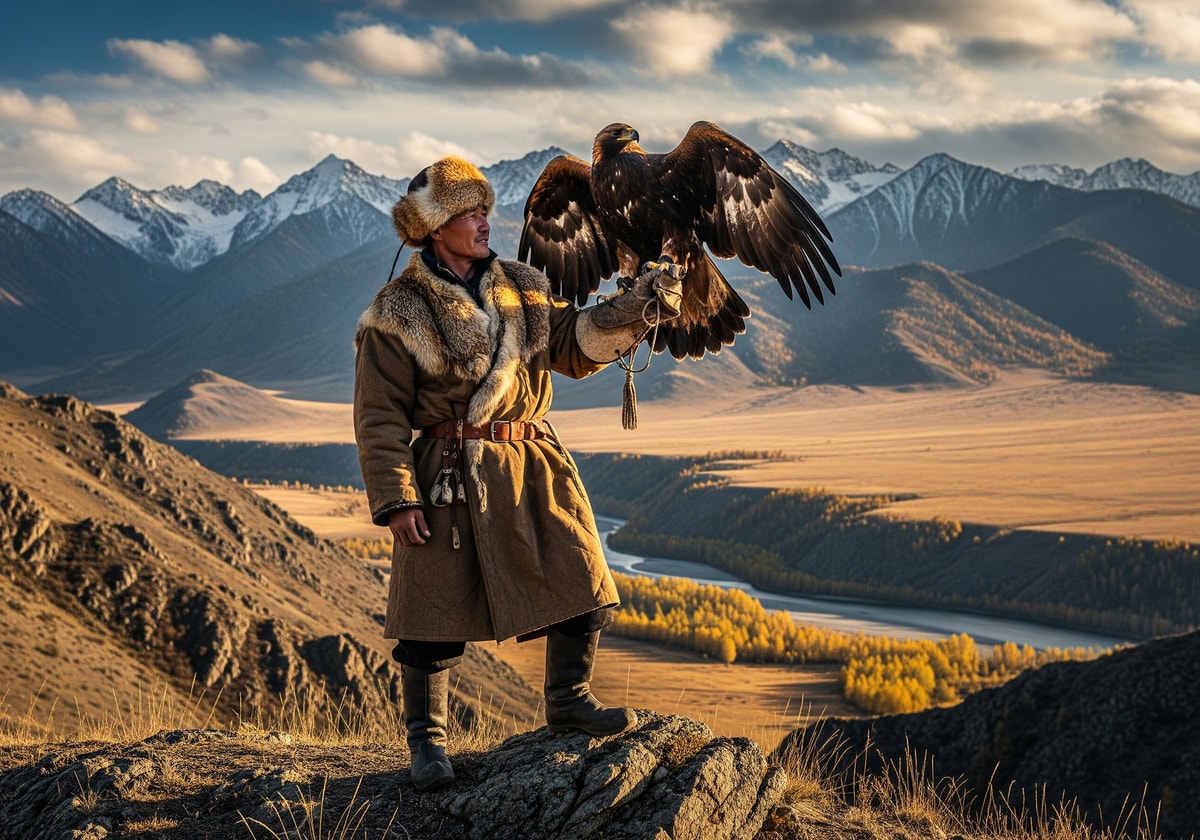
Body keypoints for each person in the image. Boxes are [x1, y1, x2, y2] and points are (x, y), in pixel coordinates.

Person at [353, 155, 682, 791]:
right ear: (433, 227)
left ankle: (568, 700)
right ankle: (427, 744)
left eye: (482, 209)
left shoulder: (524, 286)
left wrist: (636, 307)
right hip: (447, 473)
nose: (483, 222)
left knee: (583, 580)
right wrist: (397, 499)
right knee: (430, 617)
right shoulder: (396, 311)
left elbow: (572, 342)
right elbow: (378, 416)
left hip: (533, 465)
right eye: (467, 213)